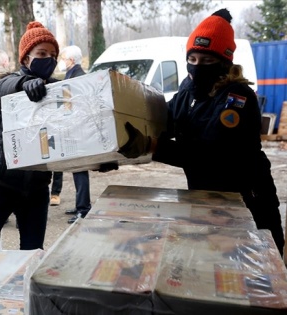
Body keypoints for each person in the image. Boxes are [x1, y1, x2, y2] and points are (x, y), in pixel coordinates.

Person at [118, 9, 285, 256]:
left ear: (225, 62)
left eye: (207, 61)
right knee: (213, 263)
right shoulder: (189, 92)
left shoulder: (237, 98)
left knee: (253, 270)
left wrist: (150, 146)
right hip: (207, 196)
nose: (197, 67)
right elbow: (162, 122)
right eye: (193, 59)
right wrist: (115, 151)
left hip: (247, 199)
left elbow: (210, 154)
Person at [0, 21, 59, 257]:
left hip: (37, 190)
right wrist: (24, 83)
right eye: (41, 53)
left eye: (52, 55)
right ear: (26, 59)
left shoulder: (57, 91)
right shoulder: (9, 84)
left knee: (31, 259)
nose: (48, 58)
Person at [55, 45, 92, 224]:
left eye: (64, 58)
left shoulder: (78, 77)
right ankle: (80, 205)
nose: (62, 61)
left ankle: (83, 209)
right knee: (77, 170)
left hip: (78, 130)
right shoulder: (73, 75)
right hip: (75, 129)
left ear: (72, 60)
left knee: (79, 170)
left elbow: (75, 105)